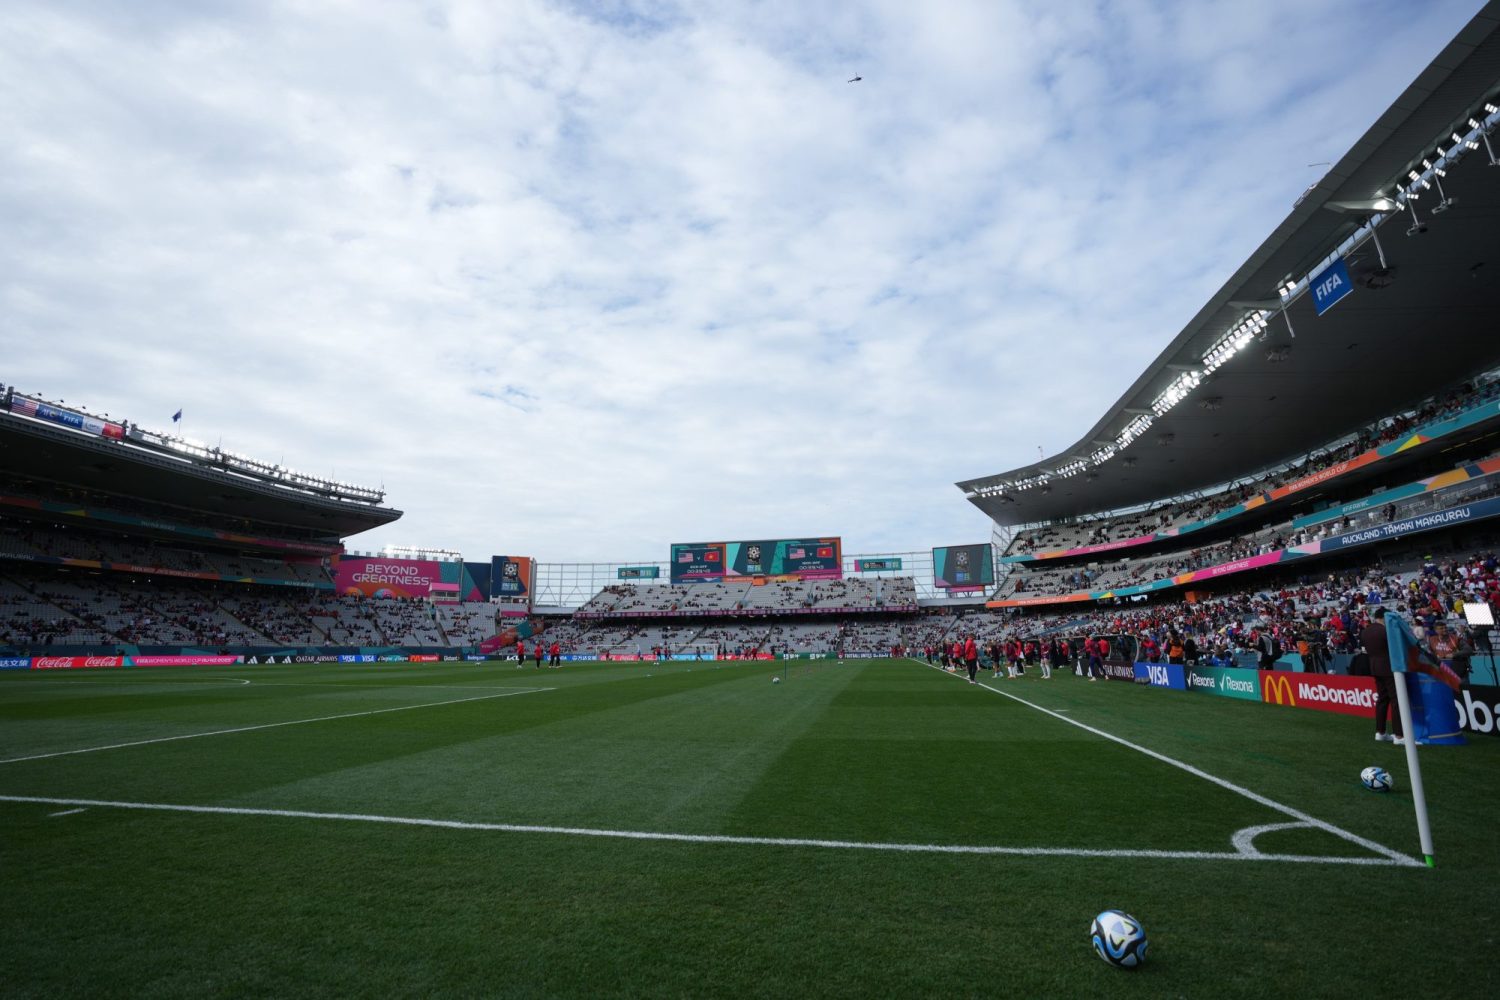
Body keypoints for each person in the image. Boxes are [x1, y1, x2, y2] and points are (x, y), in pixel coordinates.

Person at [1360, 608, 1403, 744]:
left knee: (1382, 699)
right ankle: (1399, 735)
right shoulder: (1385, 630)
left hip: (1375, 667)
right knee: (1396, 700)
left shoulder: (1366, 631)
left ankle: (1380, 731)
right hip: (1389, 668)